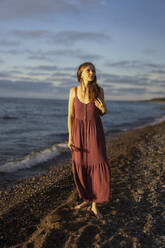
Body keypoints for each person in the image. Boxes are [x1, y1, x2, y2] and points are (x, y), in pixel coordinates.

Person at [67, 62, 111, 219]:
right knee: (81, 164)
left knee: (98, 162)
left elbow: (102, 112)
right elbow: (71, 115)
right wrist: (71, 137)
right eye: (88, 70)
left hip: (95, 133)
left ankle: (94, 205)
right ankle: (86, 198)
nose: (91, 72)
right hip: (78, 134)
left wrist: (104, 108)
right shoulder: (73, 91)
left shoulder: (99, 91)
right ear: (81, 73)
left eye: (93, 70)